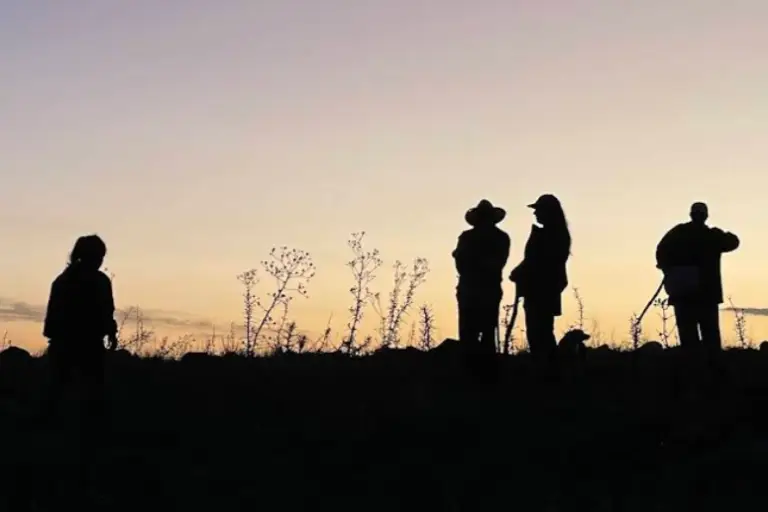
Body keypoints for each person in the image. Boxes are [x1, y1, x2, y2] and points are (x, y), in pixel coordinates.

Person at [42, 234, 118, 421]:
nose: (100, 261)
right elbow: (106, 311)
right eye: (98, 256)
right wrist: (110, 332)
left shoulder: (62, 281)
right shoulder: (99, 281)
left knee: (60, 390)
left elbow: (52, 318)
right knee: (91, 391)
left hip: (66, 343)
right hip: (85, 344)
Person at [655, 202, 739, 352]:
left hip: (683, 294)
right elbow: (733, 242)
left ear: (691, 215)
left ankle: (692, 369)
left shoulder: (678, 233)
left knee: (688, 339)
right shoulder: (712, 236)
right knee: (711, 338)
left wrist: (668, 270)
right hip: (707, 295)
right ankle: (712, 370)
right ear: (706, 216)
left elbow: (660, 251)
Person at [509, 194, 571, 363]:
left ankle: (547, 371)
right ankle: (548, 369)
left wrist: (520, 272)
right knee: (541, 331)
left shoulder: (550, 236)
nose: (535, 214)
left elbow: (537, 261)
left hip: (541, 290)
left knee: (539, 333)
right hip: (544, 289)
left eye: (538, 210)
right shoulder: (557, 234)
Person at [452, 199, 511, 355]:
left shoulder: (467, 237)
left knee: (469, 331)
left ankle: (473, 368)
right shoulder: (501, 237)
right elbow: (498, 263)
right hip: (487, 289)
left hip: (471, 289)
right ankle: (485, 368)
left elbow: (460, 263)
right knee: (486, 331)